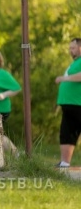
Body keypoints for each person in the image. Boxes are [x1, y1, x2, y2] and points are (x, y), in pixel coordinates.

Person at [55, 38, 81, 168]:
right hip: (69, 105)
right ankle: (65, 163)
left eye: (73, 48)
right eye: (70, 48)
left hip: (78, 104)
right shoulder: (75, 63)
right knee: (67, 133)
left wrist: (64, 78)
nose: (70, 51)